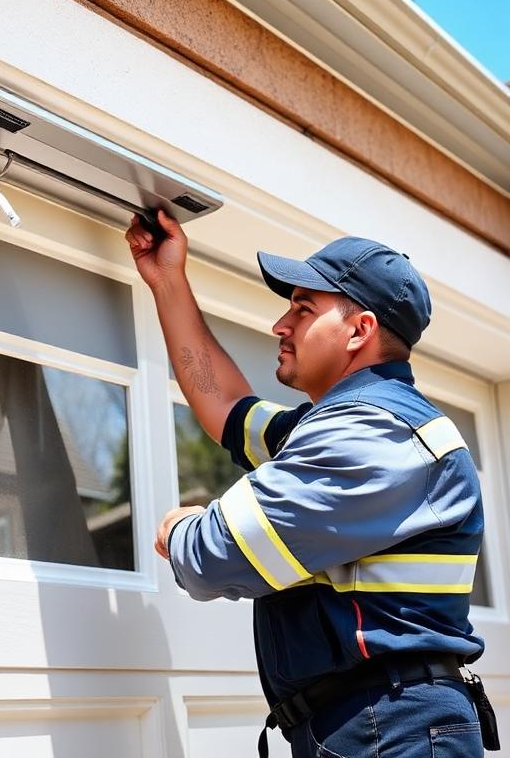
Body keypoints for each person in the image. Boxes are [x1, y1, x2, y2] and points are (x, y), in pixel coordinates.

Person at [125, 210, 498, 757]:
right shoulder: (340, 426)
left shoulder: (375, 434)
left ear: (360, 329)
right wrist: (168, 280)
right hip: (370, 722)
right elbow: (223, 404)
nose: (281, 325)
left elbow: (219, 554)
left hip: (391, 727)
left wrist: (181, 529)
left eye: (303, 309)